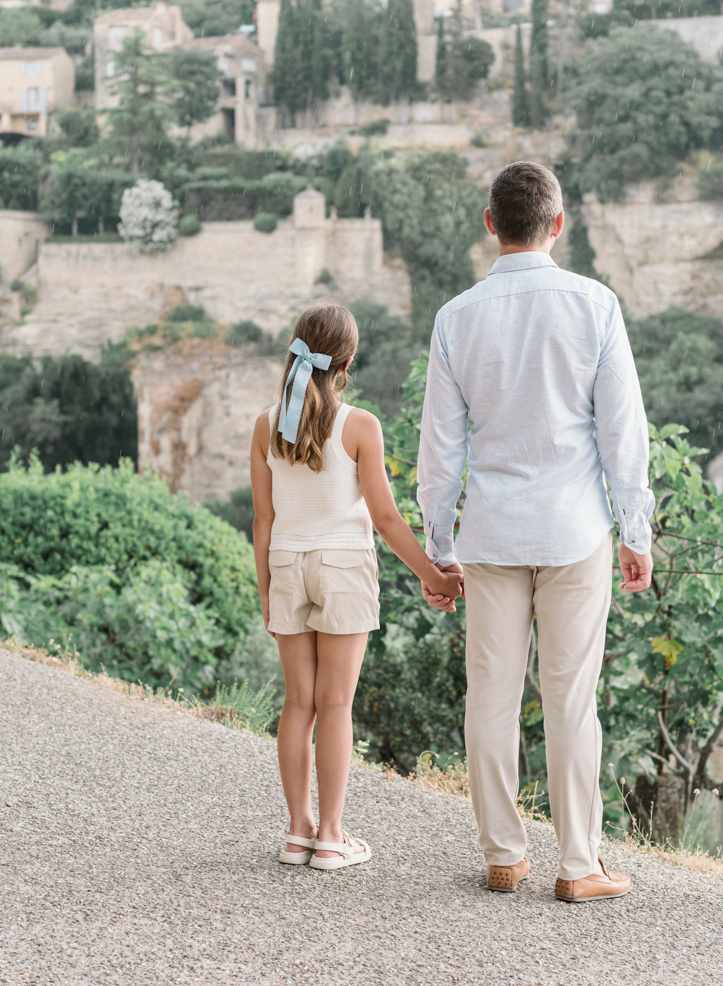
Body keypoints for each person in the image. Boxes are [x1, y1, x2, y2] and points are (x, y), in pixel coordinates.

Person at [418, 160, 653, 904]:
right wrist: (636, 528)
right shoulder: (596, 306)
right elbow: (623, 433)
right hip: (574, 531)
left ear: (491, 224)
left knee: (489, 695)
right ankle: (579, 865)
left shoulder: (456, 317)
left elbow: (439, 449)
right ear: (557, 225)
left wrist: (438, 547)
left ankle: (502, 853)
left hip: (488, 534)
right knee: (569, 700)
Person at [250, 303, 464, 872]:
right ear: (346, 362)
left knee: (298, 703)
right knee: (335, 704)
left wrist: (265, 591)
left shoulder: (267, 423)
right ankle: (331, 836)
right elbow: (388, 520)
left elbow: (263, 520)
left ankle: (297, 833)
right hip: (343, 566)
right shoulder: (360, 425)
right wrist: (435, 575)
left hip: (287, 566)